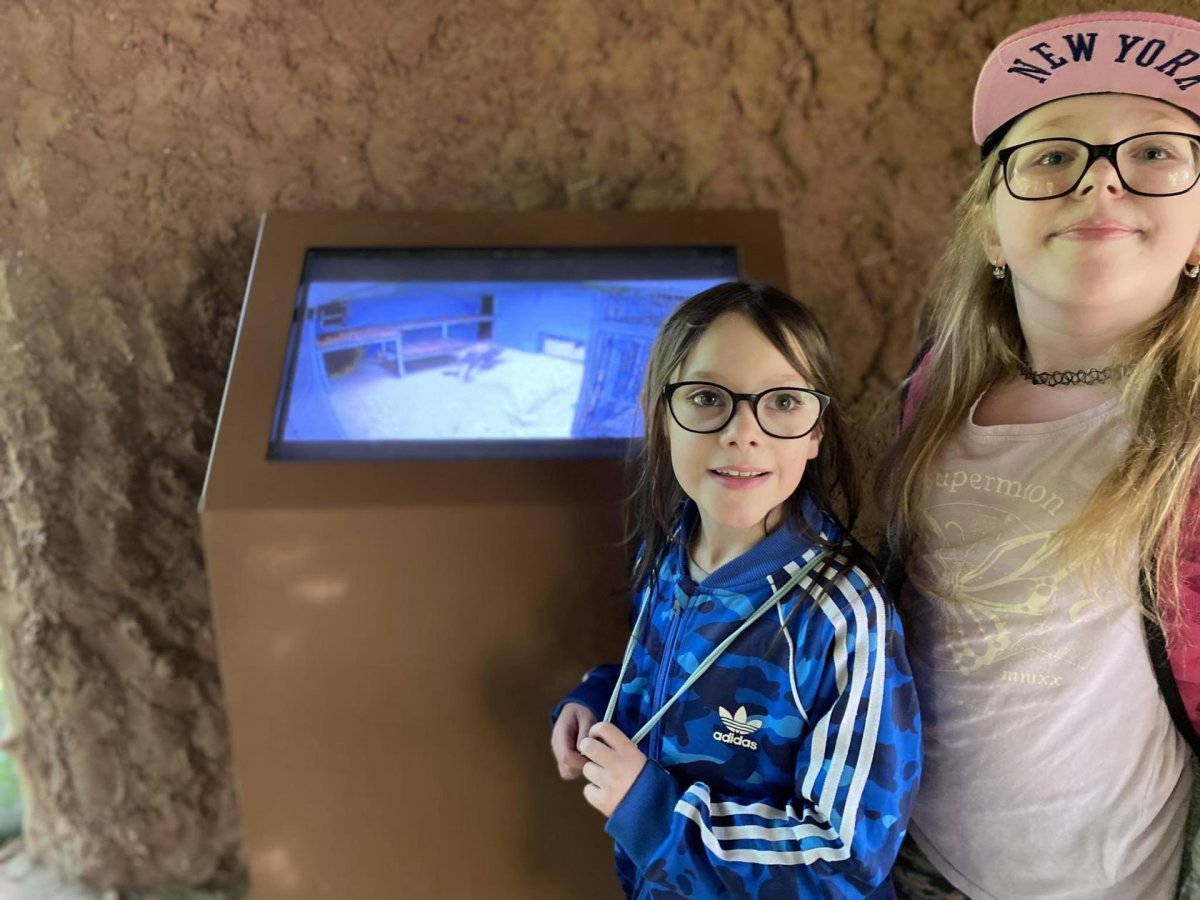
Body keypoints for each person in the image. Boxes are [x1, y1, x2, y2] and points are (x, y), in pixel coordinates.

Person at [886, 11, 1200, 899]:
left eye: (1154, 154)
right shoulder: (938, 390)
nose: (1101, 181)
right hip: (923, 863)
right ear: (992, 232)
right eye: (1052, 156)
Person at [549, 282, 921, 899]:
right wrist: (597, 700)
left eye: (783, 401)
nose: (743, 433)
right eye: (705, 397)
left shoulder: (844, 617)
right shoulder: (668, 549)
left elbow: (845, 858)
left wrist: (649, 810)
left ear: (817, 431)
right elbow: (662, 673)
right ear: (659, 416)